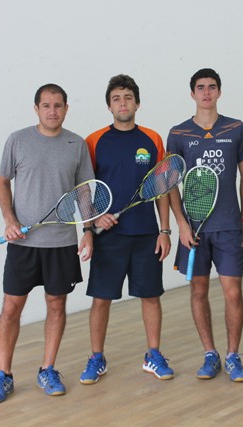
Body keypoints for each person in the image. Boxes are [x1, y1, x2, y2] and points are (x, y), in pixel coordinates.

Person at [0, 83, 96, 403]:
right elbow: (2, 181)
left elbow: (84, 190)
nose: (52, 111)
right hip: (23, 243)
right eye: (46, 105)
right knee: (11, 307)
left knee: (56, 305)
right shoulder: (18, 140)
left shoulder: (76, 144)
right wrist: (9, 219)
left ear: (66, 108)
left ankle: (48, 369)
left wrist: (88, 230)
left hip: (61, 242)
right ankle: (3, 374)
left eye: (58, 105)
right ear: (36, 108)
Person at [79, 74, 174, 384]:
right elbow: (84, 188)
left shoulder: (152, 139)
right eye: (116, 99)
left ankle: (153, 355)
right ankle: (96, 357)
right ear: (109, 106)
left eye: (128, 98)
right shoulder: (94, 141)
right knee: (101, 299)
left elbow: (161, 188)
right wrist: (93, 222)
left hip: (146, 234)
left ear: (137, 103)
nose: (123, 103)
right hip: (109, 237)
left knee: (151, 296)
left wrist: (165, 231)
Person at [167, 68, 243, 382]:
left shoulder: (236, 128)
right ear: (192, 93)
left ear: (219, 92)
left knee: (233, 293)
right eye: (200, 88)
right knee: (198, 291)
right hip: (194, 230)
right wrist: (181, 224)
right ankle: (210, 354)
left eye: (211, 87)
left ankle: (233, 356)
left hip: (228, 226)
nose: (206, 92)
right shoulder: (178, 133)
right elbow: (170, 184)